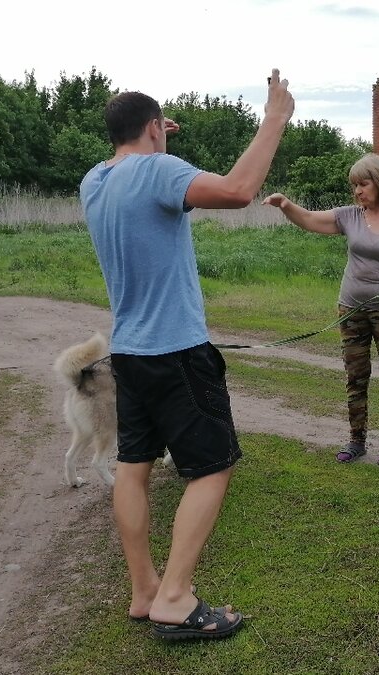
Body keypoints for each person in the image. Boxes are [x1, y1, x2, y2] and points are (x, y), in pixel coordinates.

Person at [80, 69, 294, 641]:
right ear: (155, 128)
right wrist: (274, 119)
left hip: (129, 353)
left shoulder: (96, 181)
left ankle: (144, 589)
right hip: (176, 351)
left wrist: (155, 142)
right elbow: (237, 190)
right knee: (212, 467)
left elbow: (144, 180)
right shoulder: (159, 171)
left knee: (134, 468)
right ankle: (175, 598)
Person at [263, 153, 379, 467]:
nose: (357, 191)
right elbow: (311, 219)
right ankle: (357, 441)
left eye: (363, 184)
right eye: (354, 185)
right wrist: (285, 204)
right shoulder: (350, 216)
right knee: (356, 376)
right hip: (350, 309)